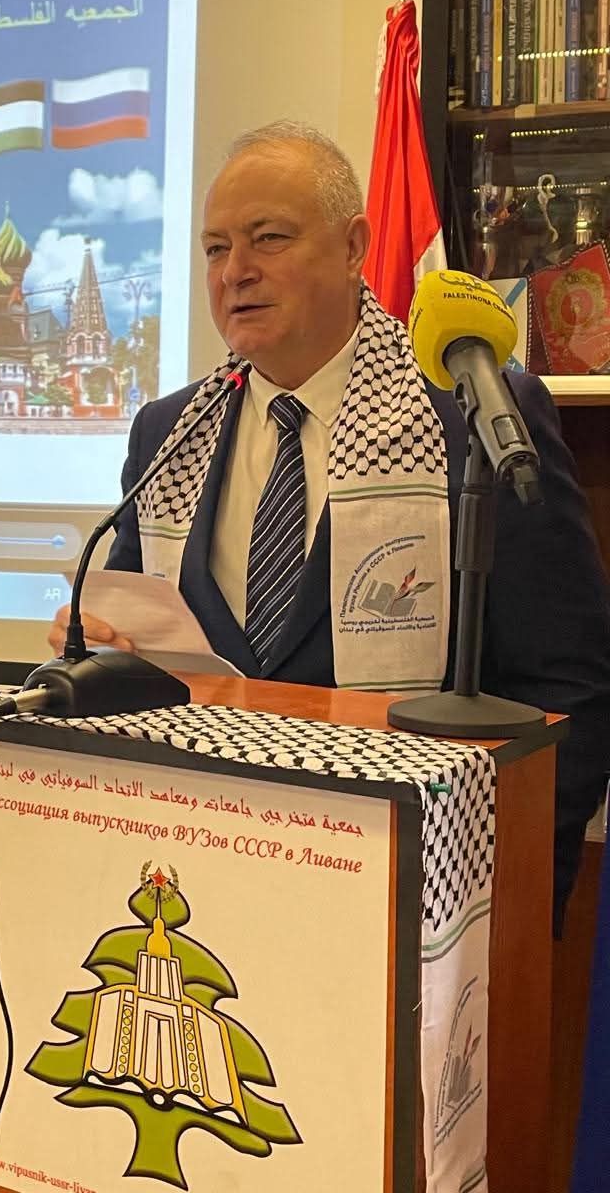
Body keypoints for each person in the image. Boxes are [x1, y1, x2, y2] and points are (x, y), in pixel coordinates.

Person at [48, 121, 610, 929]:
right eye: (215, 249)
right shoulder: (168, 432)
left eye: (268, 238)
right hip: (200, 882)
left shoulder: (467, 416)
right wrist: (99, 653)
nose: (235, 271)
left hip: (418, 894)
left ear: (353, 248)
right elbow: (145, 660)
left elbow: (568, 685)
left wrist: (509, 893)